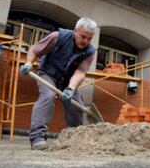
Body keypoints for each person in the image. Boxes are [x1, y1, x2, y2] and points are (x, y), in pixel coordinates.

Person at [19, 17, 97, 150]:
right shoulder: (57, 37)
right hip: (48, 74)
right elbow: (34, 50)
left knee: (77, 104)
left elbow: (80, 72)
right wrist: (28, 63)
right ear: (75, 31)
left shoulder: (90, 52)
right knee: (48, 95)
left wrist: (71, 89)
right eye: (83, 36)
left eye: (89, 39)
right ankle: (38, 138)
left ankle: (74, 138)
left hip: (68, 80)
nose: (85, 41)